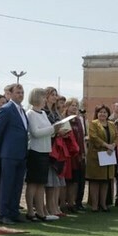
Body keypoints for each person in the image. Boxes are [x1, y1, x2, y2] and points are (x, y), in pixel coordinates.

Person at [0, 84, 28, 224]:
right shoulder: (6, 109)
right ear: (11, 94)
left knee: (17, 185)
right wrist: (2, 150)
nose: (21, 94)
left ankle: (14, 212)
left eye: (22, 92)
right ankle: (4, 213)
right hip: (9, 153)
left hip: (21, 153)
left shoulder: (22, 110)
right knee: (7, 184)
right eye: (18, 92)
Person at [25, 88, 61, 221]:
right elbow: (35, 132)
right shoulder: (30, 113)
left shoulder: (43, 113)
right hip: (35, 151)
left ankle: (41, 212)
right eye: (44, 97)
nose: (45, 99)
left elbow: (48, 132)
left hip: (45, 150)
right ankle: (30, 211)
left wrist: (55, 129)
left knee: (41, 183)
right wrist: (52, 128)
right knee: (33, 183)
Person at [85, 104, 118, 212]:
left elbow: (117, 136)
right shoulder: (93, 124)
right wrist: (106, 145)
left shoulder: (112, 124)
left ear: (108, 114)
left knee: (105, 180)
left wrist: (113, 145)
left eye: (104, 112)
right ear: (97, 113)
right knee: (95, 181)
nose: (102, 114)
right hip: (96, 156)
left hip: (109, 155)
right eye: (100, 112)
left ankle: (103, 204)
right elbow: (94, 137)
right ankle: (94, 205)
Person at [42, 87, 66, 217]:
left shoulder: (55, 111)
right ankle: (47, 207)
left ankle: (53, 206)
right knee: (48, 180)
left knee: (55, 180)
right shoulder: (44, 111)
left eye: (55, 95)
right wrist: (56, 131)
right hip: (48, 146)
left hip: (57, 147)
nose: (54, 97)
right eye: (52, 94)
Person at [62, 98, 86, 213]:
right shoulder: (63, 119)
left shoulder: (79, 120)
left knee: (75, 180)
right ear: (67, 107)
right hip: (66, 154)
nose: (75, 107)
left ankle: (72, 203)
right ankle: (62, 203)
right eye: (72, 105)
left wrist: (82, 152)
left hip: (77, 154)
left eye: (76, 105)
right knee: (66, 180)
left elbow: (81, 138)